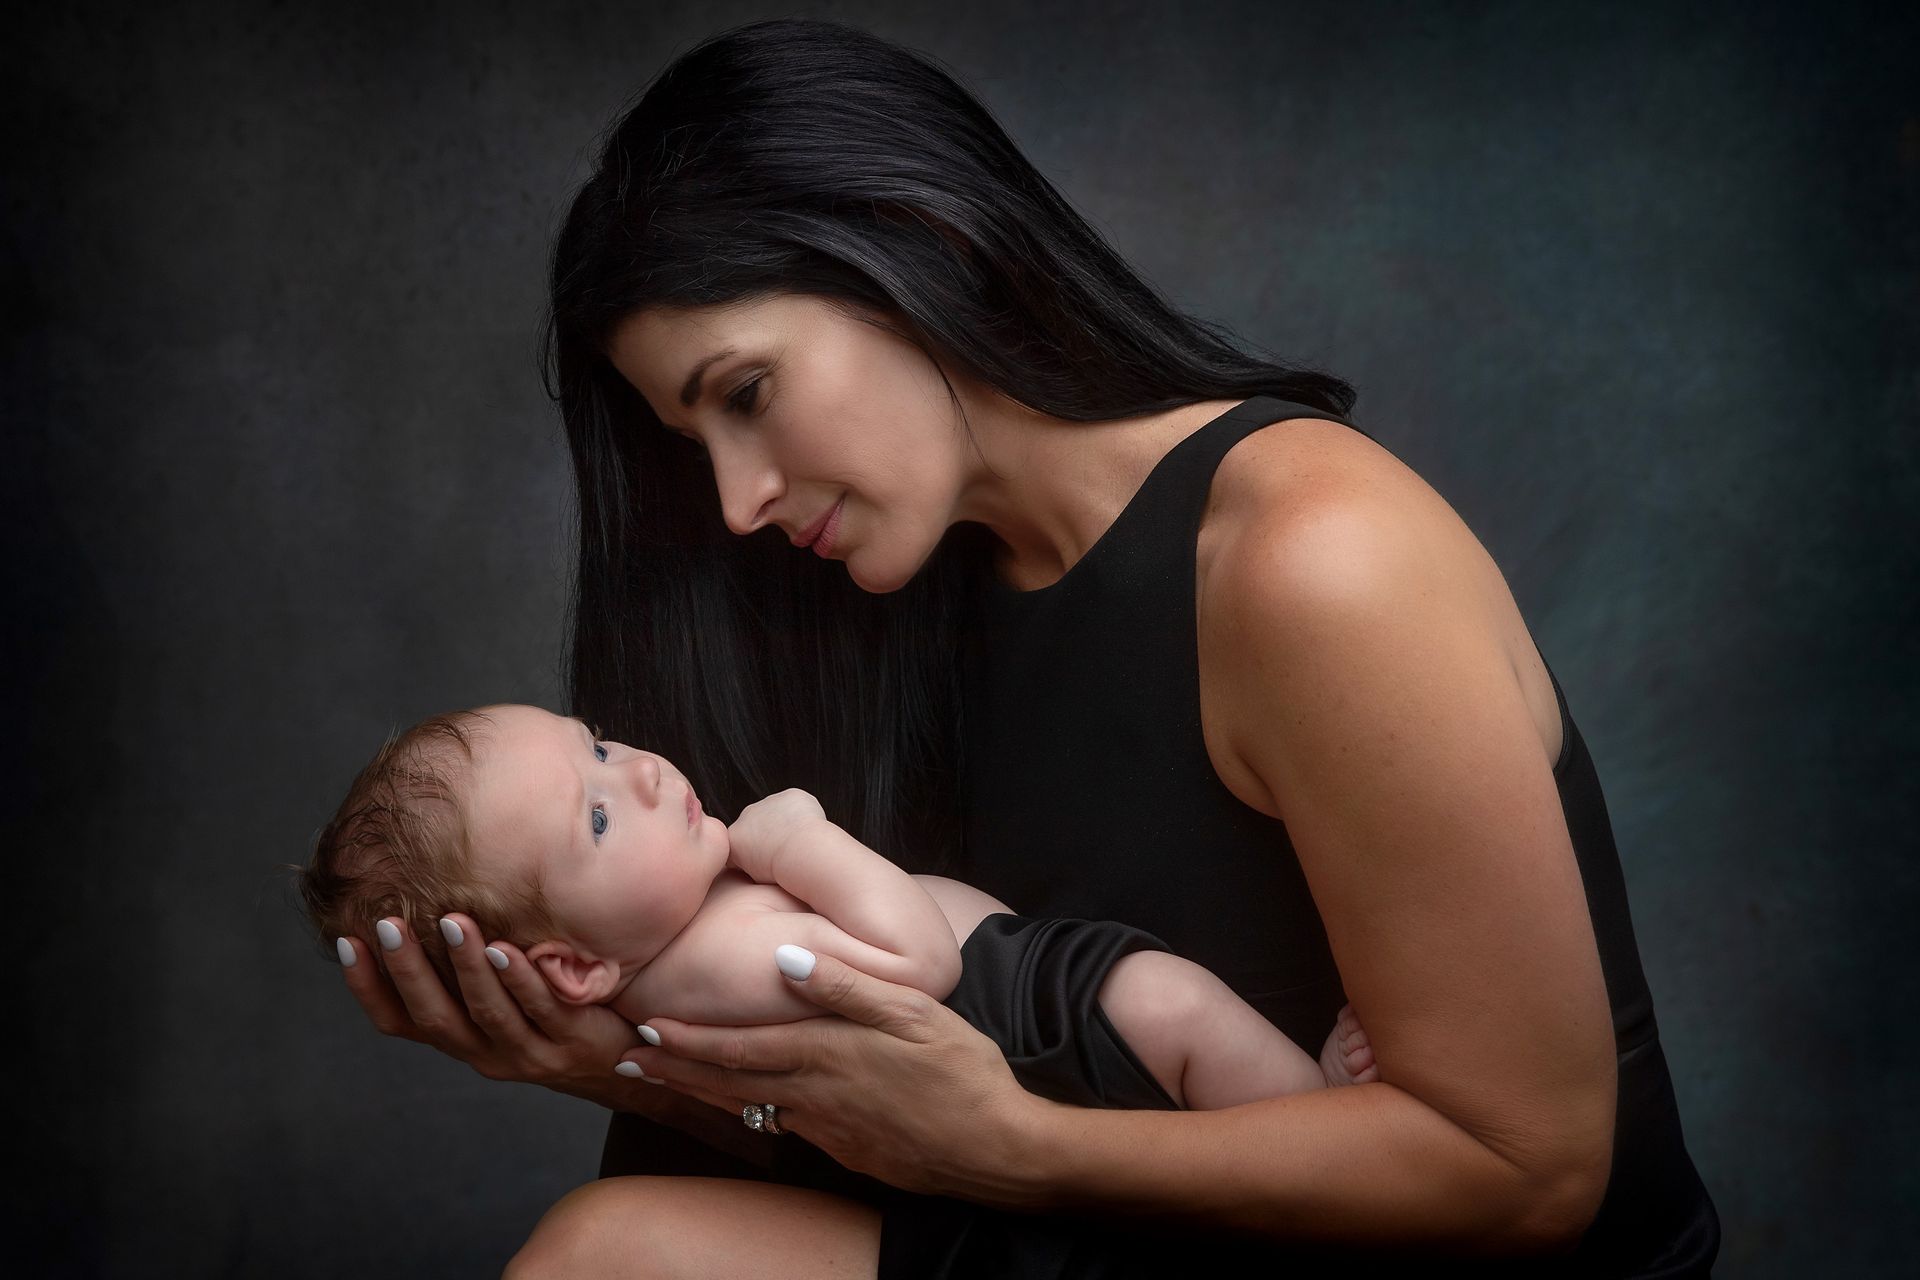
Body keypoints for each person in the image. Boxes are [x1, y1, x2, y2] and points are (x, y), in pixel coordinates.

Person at [334, 16, 1720, 1277]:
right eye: (695, 442)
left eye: (748, 393)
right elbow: (914, 1109)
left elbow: (1530, 1176)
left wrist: (1002, 1143)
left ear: (918, 241)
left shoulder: (1310, 558)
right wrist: (614, 1061)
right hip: (1121, 1232)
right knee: (616, 1251)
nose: (737, 500)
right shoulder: (883, 592)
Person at [303, 702, 1381, 1118]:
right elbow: (916, 960)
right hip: (1024, 1010)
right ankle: (1322, 1114)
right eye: (593, 817)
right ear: (575, 967)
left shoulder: (670, 947)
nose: (636, 773)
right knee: (1179, 1011)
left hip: (1020, 1001)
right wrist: (801, 836)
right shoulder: (721, 963)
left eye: (597, 743)